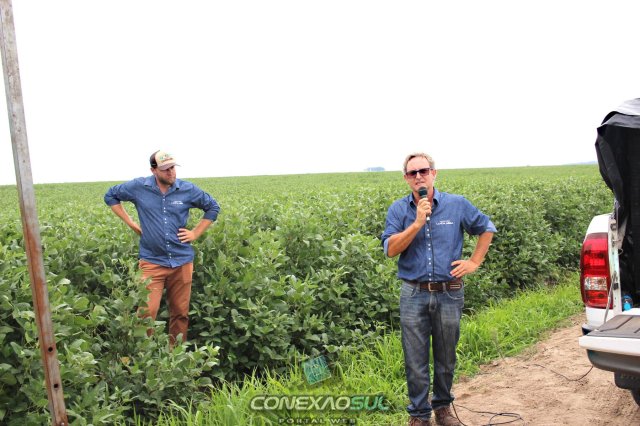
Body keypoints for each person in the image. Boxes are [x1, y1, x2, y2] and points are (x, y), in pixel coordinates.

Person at [381, 153, 496, 426]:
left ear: (434, 173)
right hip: (413, 293)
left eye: (423, 170)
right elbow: (390, 249)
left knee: (446, 356)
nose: (418, 176)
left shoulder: (457, 205)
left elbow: (486, 228)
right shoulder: (398, 210)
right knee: (415, 359)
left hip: (449, 292)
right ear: (406, 178)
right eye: (412, 173)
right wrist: (417, 223)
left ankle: (442, 408)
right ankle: (419, 415)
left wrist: (474, 261)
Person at [104, 150, 220, 345]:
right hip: (152, 261)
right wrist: (132, 224)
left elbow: (213, 207)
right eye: (166, 169)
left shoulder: (187, 189)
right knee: (146, 312)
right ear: (153, 170)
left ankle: (176, 354)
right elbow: (111, 195)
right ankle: (143, 353)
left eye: (173, 167)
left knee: (180, 312)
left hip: (182, 261)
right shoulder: (139, 187)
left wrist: (195, 233)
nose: (171, 172)